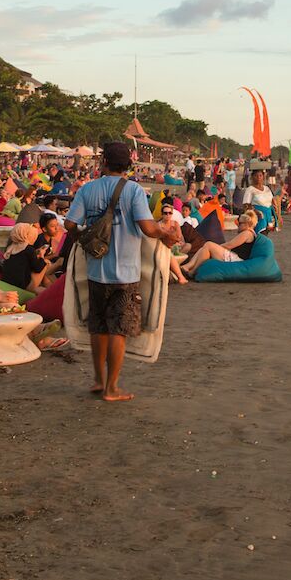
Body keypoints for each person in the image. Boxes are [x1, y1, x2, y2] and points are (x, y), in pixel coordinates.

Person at [64, 141, 182, 403]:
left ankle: (97, 380)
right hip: (126, 273)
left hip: (96, 270)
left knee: (99, 328)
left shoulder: (88, 190)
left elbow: (70, 223)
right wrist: (168, 233)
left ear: (104, 162)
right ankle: (112, 387)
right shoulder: (134, 191)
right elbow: (149, 229)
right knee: (118, 330)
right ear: (127, 164)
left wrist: (85, 239)